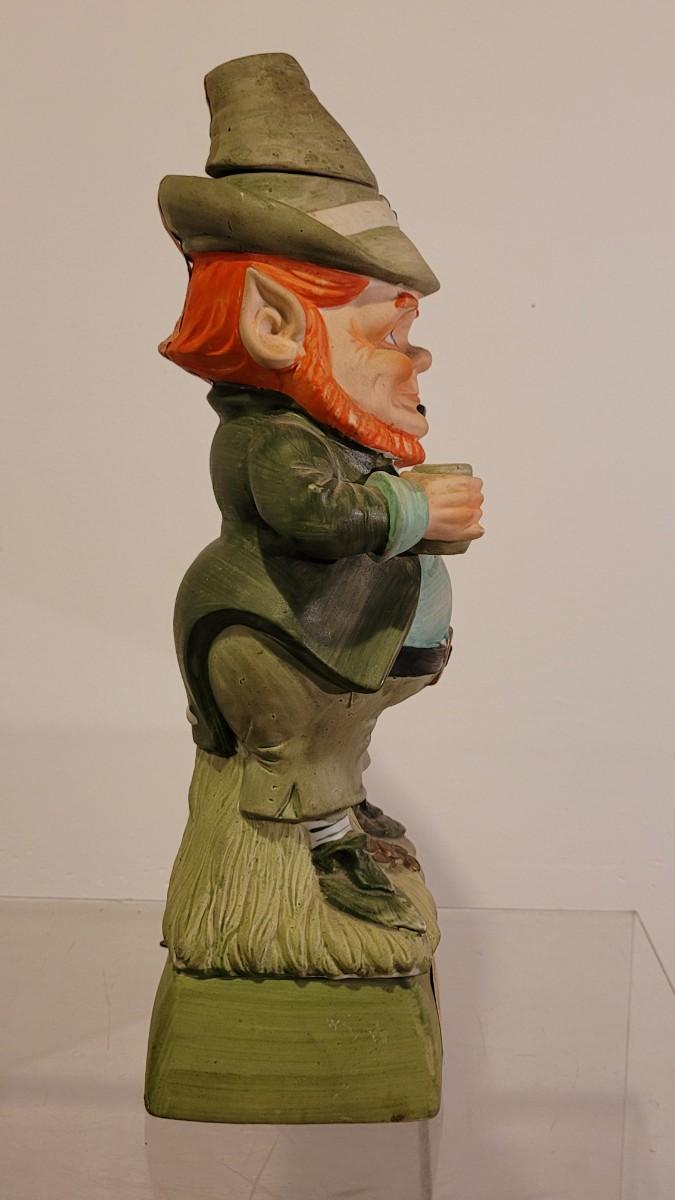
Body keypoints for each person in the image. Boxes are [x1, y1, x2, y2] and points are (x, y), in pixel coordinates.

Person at [159, 54, 483, 934]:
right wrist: (410, 510)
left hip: (339, 633)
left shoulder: (334, 431)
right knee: (303, 736)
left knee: (344, 727)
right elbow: (313, 515)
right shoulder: (271, 438)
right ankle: (320, 843)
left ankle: (340, 805)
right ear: (272, 324)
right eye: (388, 335)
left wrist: (412, 503)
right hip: (277, 631)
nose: (415, 360)